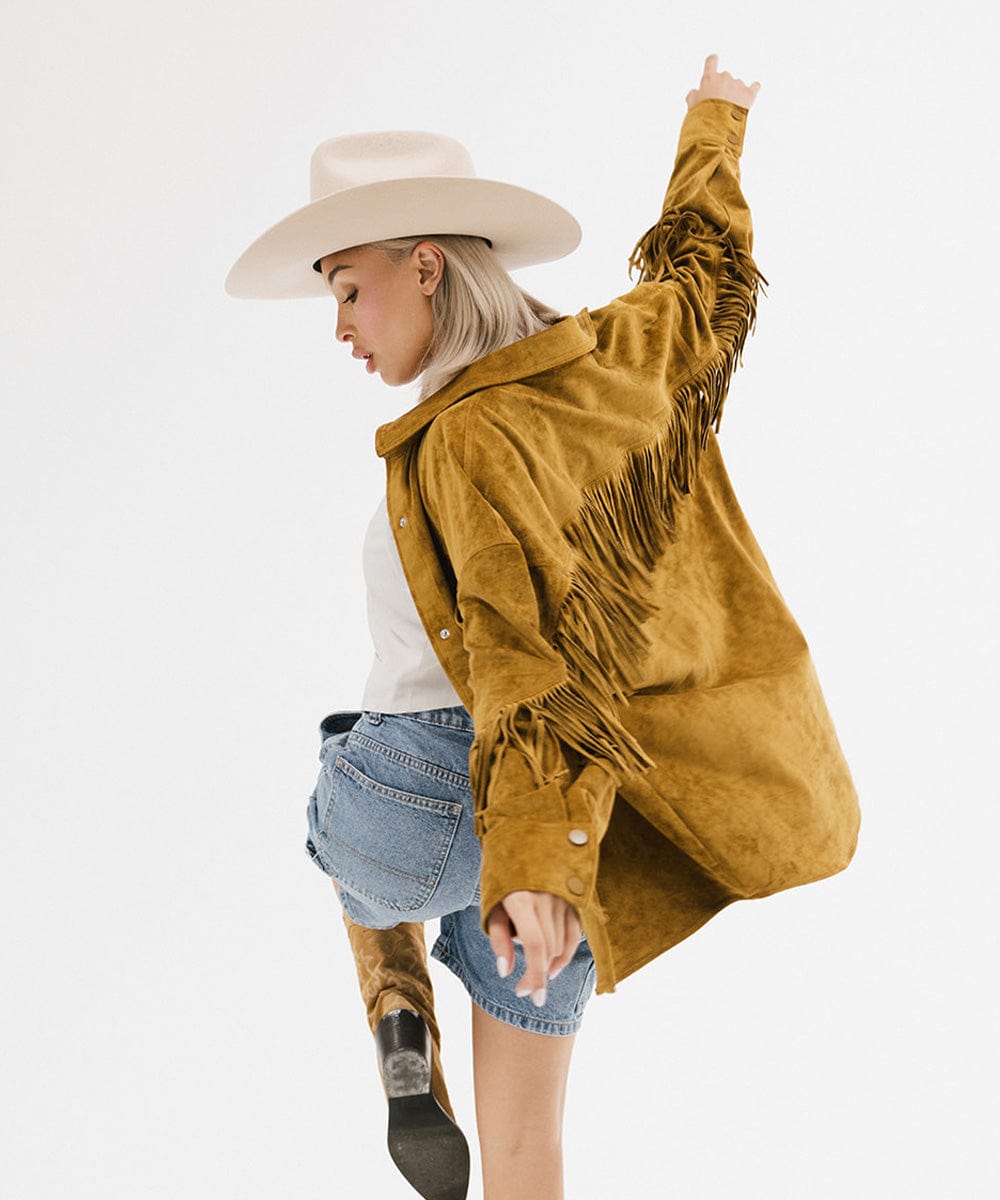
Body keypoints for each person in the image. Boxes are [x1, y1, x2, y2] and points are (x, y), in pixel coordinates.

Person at [226, 55, 860, 1200]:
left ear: (425, 267)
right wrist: (717, 117)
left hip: (436, 807)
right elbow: (702, 274)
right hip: (576, 818)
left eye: (349, 289)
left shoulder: (460, 439)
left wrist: (526, 860)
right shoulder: (618, 362)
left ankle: (394, 1006)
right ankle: (447, 968)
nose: (339, 326)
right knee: (526, 1155)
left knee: (336, 762)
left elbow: (519, 659)